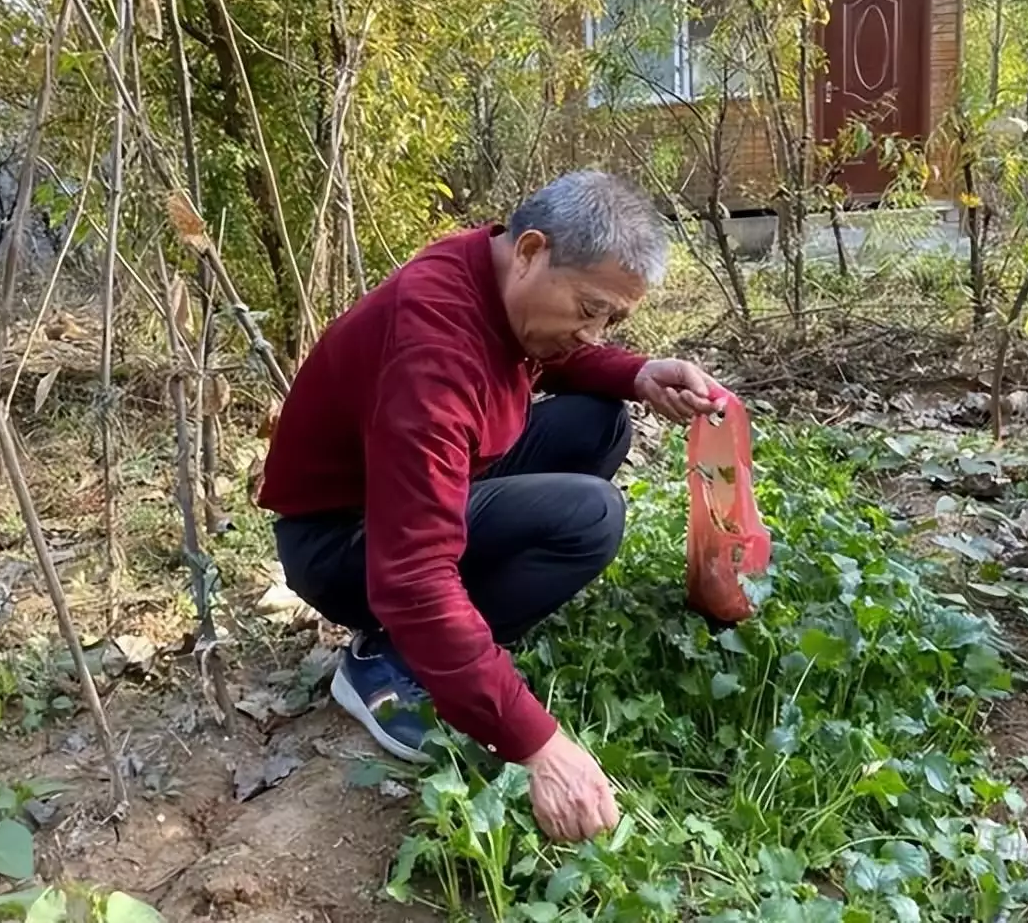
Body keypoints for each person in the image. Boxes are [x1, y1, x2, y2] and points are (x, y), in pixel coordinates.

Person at [258, 170, 723, 843]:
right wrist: (538, 744)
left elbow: (548, 357)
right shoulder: (433, 354)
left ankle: (455, 639)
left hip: (404, 493)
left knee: (600, 421)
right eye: (589, 309)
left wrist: (637, 374)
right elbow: (413, 575)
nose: (593, 334)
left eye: (611, 320)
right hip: (342, 540)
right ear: (531, 251)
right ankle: (387, 660)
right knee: (589, 517)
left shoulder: (492, 269)